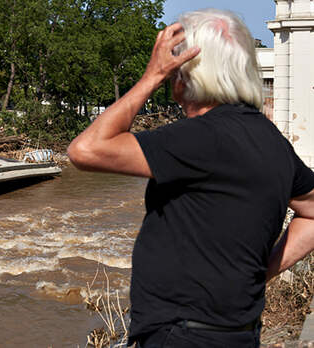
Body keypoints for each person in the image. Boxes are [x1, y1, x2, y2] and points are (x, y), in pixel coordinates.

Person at [68, 9, 314, 348]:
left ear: (185, 74)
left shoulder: (200, 138)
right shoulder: (270, 140)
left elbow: (86, 150)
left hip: (183, 335)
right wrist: (264, 271)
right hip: (237, 334)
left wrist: (150, 76)